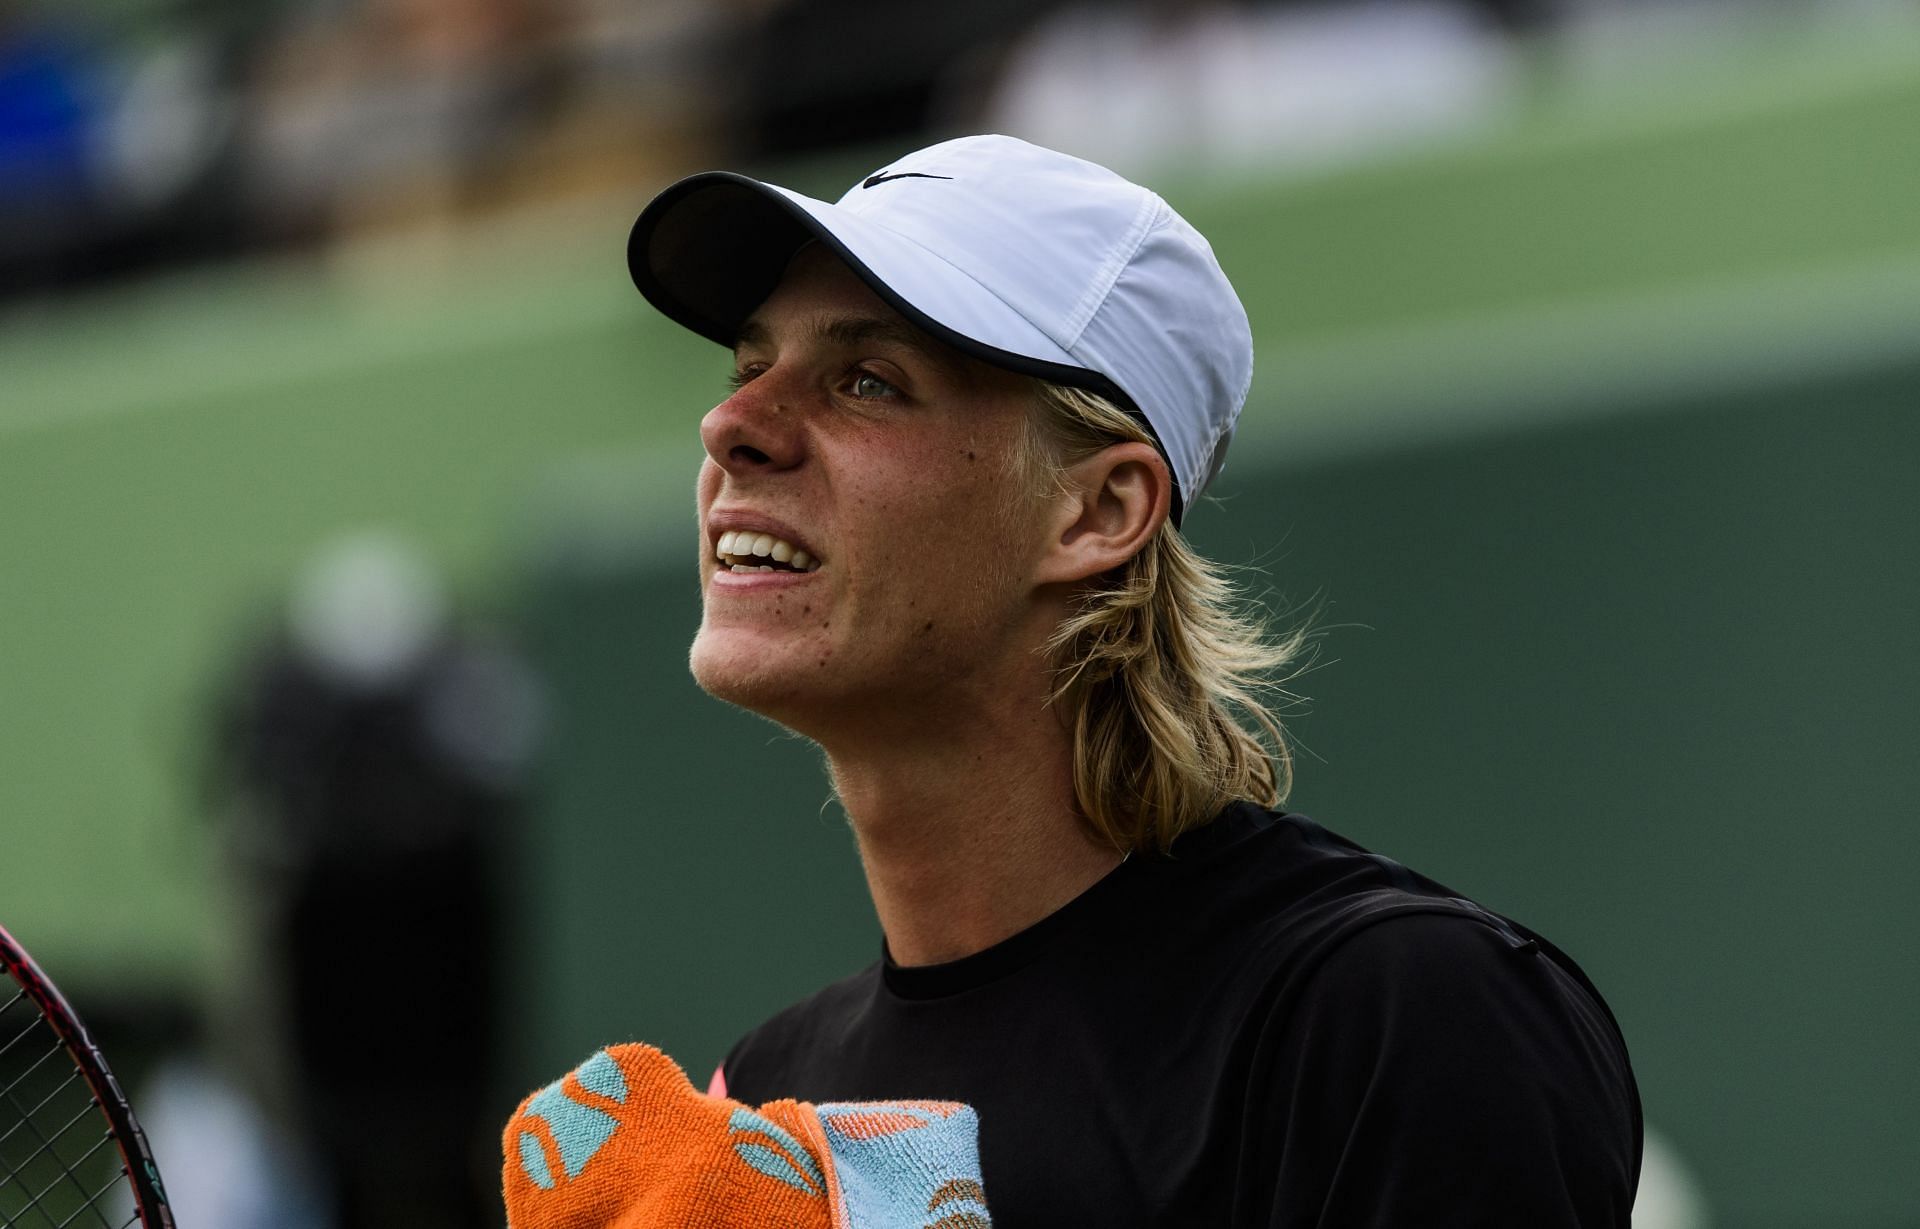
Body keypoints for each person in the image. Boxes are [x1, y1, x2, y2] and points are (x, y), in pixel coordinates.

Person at [543, 133, 1641, 1226]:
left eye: (868, 381)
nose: (731, 424)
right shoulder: (766, 1088)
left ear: (1100, 510)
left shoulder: (1395, 1011)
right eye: (748, 367)